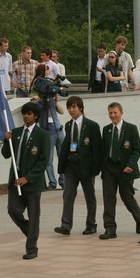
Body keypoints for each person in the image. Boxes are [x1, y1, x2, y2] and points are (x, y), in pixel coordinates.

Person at [1, 102, 49, 259]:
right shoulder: (15, 133)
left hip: (33, 182)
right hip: (15, 178)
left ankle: (31, 248)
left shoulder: (42, 135)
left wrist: (27, 178)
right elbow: (6, 154)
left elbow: (44, 161)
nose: (26, 116)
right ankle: (30, 230)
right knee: (13, 209)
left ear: (35, 116)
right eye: (24, 113)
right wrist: (6, 140)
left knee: (34, 214)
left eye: (29, 113)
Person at [54, 96, 102, 236]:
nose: (71, 110)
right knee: (68, 195)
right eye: (69, 107)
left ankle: (91, 224)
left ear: (80, 108)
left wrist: (95, 169)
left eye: (74, 107)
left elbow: (97, 149)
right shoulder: (69, 125)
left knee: (89, 196)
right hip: (71, 165)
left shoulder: (92, 126)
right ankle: (66, 225)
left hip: (86, 166)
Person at [99, 102, 140, 239]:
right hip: (109, 168)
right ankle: (110, 228)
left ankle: (139, 216)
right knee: (108, 198)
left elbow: (137, 149)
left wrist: (131, 165)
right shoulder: (106, 130)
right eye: (110, 113)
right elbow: (104, 150)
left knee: (127, 197)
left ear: (121, 113)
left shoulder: (131, 128)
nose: (113, 115)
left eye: (115, 113)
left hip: (125, 169)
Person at [32, 63, 65, 190]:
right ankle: (52, 182)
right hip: (47, 132)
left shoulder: (51, 97)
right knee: (48, 159)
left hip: (58, 130)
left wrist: (55, 100)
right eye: (46, 69)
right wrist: (40, 100)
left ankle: (63, 180)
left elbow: (61, 111)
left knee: (62, 157)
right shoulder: (39, 97)